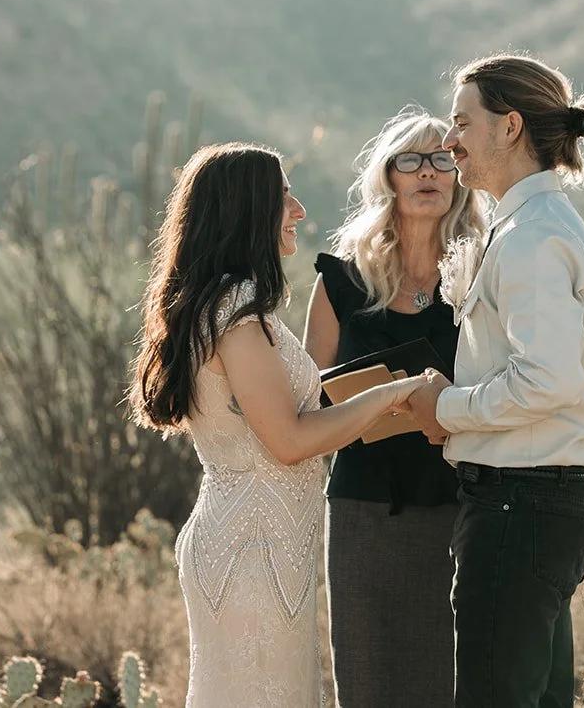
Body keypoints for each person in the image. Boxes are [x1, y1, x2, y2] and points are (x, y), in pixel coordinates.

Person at [129, 142, 428, 708]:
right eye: (283, 196)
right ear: (248, 211)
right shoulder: (237, 310)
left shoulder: (223, 304)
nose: (298, 210)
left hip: (259, 546)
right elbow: (289, 442)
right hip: (253, 553)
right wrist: (392, 393)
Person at [405, 54, 584, 708]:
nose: (449, 141)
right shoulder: (533, 225)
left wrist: (445, 405)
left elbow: (547, 379)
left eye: (461, 121)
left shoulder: (531, 237)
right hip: (533, 506)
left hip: (517, 508)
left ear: (510, 126)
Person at [302, 107, 487, 708]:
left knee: (447, 680)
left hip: (462, 504)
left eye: (443, 158)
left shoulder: (487, 274)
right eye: (411, 160)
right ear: (389, 177)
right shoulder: (340, 283)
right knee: (367, 678)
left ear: (460, 174)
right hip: (361, 507)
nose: (428, 172)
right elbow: (309, 400)